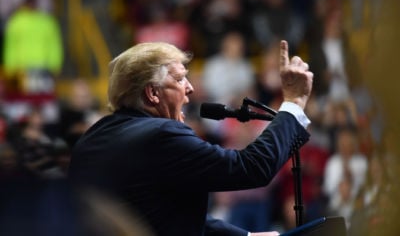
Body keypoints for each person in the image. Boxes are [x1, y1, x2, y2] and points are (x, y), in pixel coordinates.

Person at [68, 40, 313, 236]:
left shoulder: (90, 140)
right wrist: (293, 103)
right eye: (178, 79)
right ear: (153, 93)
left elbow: (167, 216)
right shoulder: (162, 135)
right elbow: (251, 168)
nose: (190, 88)